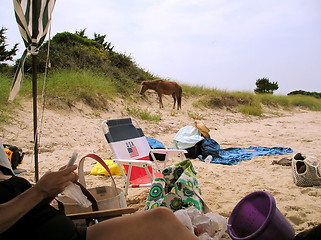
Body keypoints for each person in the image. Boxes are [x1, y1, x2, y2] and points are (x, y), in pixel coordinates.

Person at [0, 139, 198, 240]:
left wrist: (50, 191)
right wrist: (39, 190)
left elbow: (24, 212)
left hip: (76, 233)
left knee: (162, 217)